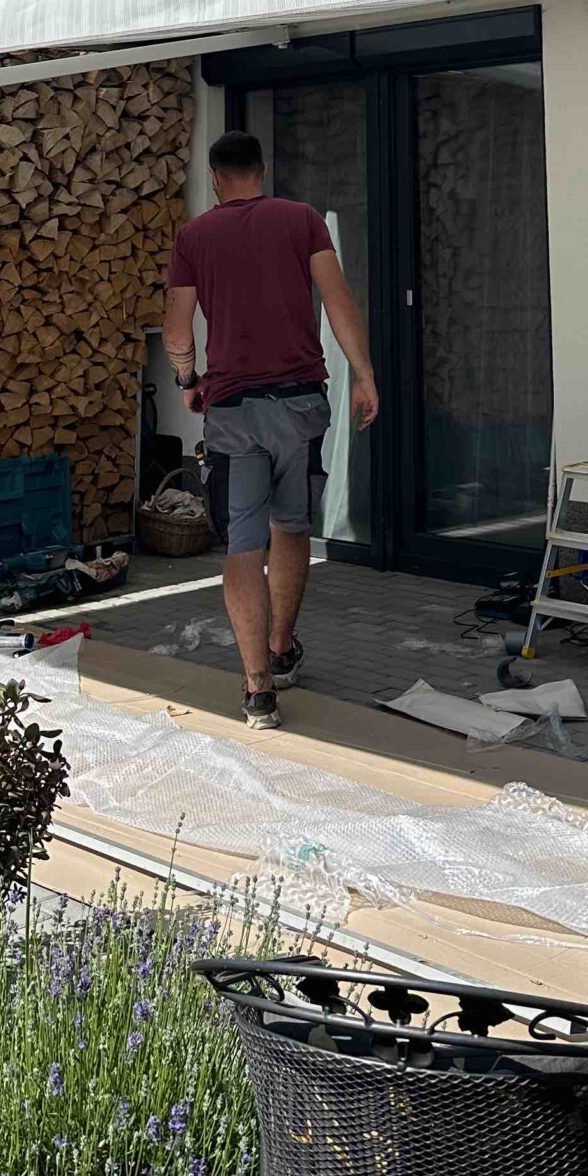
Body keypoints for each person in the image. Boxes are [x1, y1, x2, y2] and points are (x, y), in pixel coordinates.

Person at [163, 129, 379, 728]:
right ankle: (281, 649)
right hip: (300, 405)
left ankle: (258, 689)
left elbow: (177, 330)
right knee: (292, 525)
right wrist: (363, 375)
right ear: (261, 171)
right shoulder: (302, 220)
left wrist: (187, 380)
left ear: (214, 178)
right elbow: (338, 301)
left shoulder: (194, 237)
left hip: (234, 412)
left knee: (243, 544)